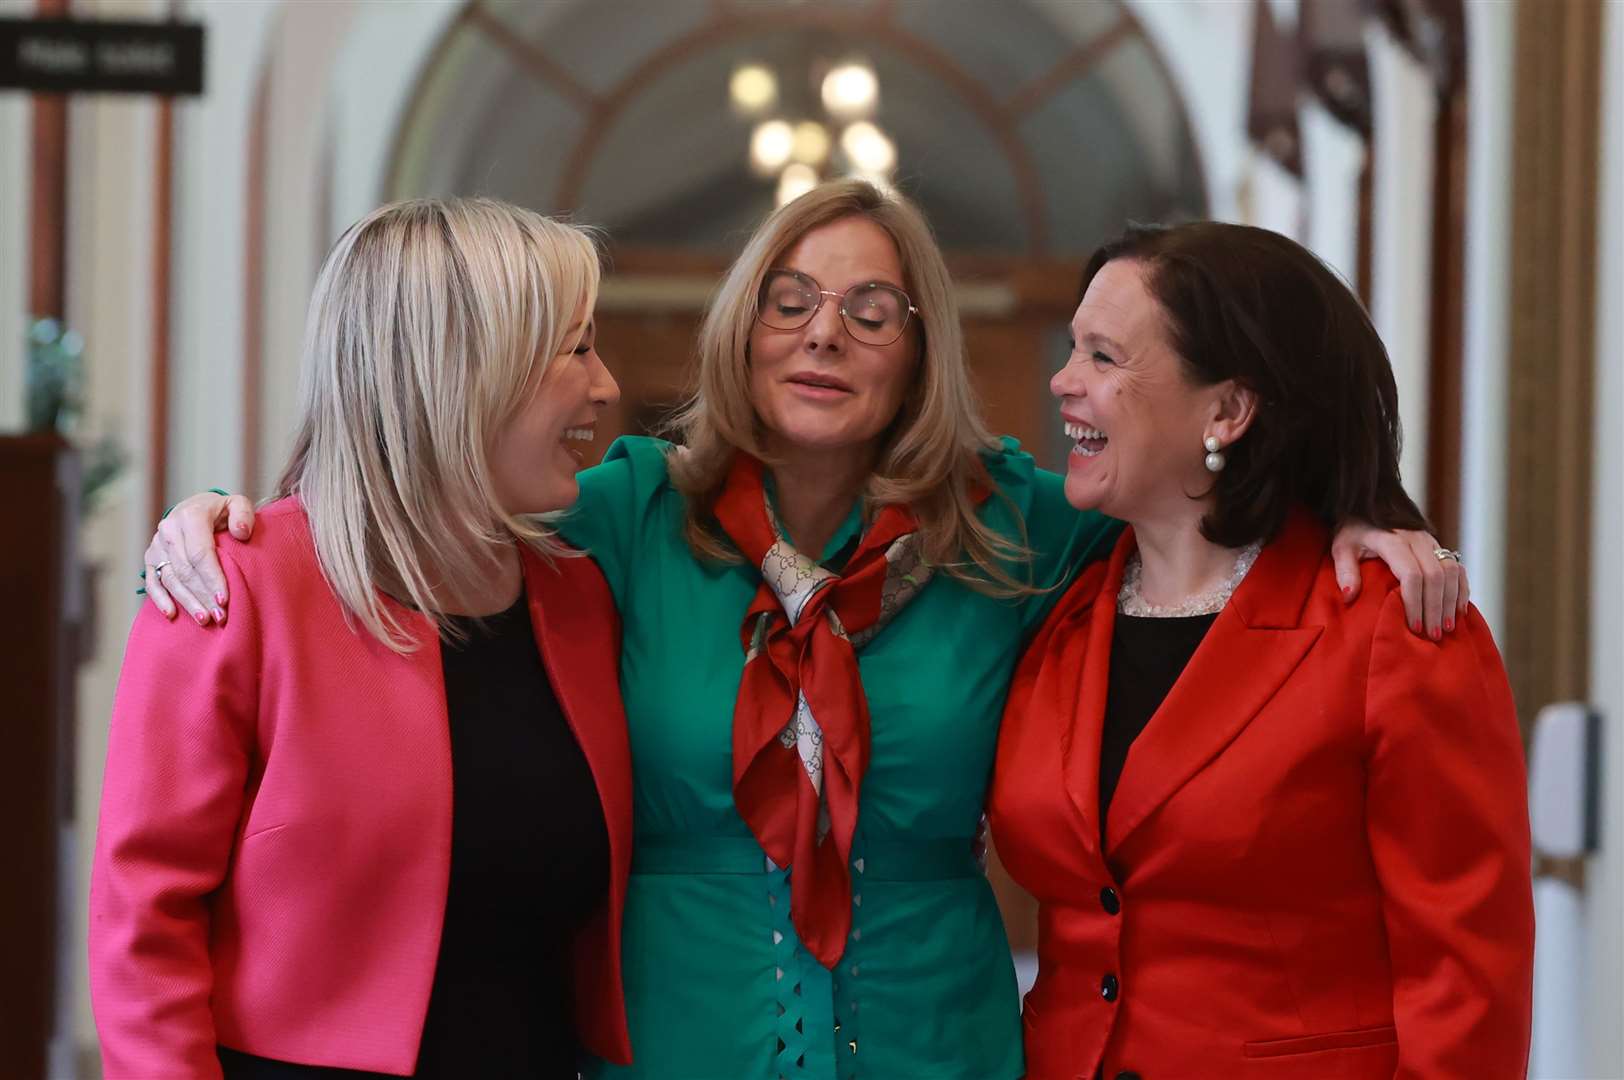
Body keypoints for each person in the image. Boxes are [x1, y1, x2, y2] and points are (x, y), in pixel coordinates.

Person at [139, 182, 1467, 1080]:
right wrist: (230, 513)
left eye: (871, 310)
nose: (824, 332)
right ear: (740, 329)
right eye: (788, 300)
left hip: (932, 1040)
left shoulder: (1018, 526)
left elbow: (1191, 516)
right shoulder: (618, 517)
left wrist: (1354, 519)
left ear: (917, 350)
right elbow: (426, 486)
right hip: (672, 1035)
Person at [90, 198, 635, 1079]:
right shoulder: (235, 588)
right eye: (575, 348)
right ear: (464, 369)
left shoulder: (581, 597)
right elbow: (141, 926)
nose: (606, 385)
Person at [988, 222, 1533, 1080]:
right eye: (1070, 351)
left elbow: (1467, 985)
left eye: (1103, 357)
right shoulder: (1055, 606)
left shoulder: (1393, 627)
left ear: (1229, 410)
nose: (1063, 382)